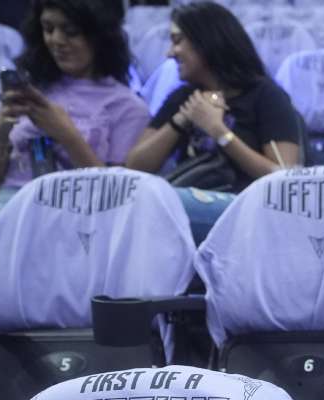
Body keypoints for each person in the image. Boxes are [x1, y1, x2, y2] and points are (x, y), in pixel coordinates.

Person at [124, 1, 301, 242]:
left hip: (250, 206)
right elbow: (135, 167)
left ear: (205, 42)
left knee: (154, 208)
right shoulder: (183, 97)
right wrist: (182, 119)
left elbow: (283, 177)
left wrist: (218, 131)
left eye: (177, 41)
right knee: (134, 202)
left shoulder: (265, 95)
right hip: (194, 197)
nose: (169, 53)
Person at [0, 0, 146, 216]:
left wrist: (66, 134)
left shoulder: (127, 107)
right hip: (7, 209)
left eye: (70, 31)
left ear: (100, 35)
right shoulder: (33, 88)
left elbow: (116, 202)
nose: (56, 40)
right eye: (48, 29)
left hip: (72, 221)